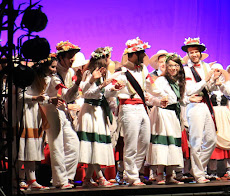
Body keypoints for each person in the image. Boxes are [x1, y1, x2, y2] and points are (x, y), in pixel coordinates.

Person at [104, 37, 153, 186]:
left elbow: (150, 89)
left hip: (142, 107)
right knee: (131, 143)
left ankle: (132, 172)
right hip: (128, 108)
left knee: (144, 142)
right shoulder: (121, 72)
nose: (144, 55)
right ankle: (132, 176)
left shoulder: (143, 70)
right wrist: (114, 88)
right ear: (132, 54)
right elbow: (107, 92)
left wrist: (159, 98)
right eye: (141, 53)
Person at [44, 41, 83, 189]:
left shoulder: (71, 72)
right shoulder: (55, 74)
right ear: (61, 57)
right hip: (52, 109)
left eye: (74, 56)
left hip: (63, 110)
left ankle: (67, 177)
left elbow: (70, 96)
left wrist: (77, 82)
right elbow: (65, 96)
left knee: (73, 144)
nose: (73, 59)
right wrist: (78, 83)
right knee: (57, 146)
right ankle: (59, 180)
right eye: (70, 56)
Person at [146, 53, 188, 184]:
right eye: (170, 65)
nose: (173, 68)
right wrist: (159, 101)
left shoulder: (180, 82)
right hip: (162, 114)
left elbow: (182, 100)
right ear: (166, 66)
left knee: (172, 144)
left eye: (176, 65)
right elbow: (150, 98)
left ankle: (170, 175)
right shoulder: (160, 80)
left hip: (173, 115)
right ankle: (159, 175)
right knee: (162, 144)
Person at [16, 54, 57, 190]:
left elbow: (41, 97)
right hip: (24, 114)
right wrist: (36, 98)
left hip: (35, 114)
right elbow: (20, 96)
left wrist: (50, 100)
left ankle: (32, 180)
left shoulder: (44, 79)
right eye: (52, 67)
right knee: (23, 147)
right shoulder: (27, 77)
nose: (54, 70)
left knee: (32, 147)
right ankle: (19, 179)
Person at [77, 47, 116, 187]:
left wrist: (113, 90)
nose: (110, 60)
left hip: (99, 111)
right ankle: (100, 178)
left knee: (97, 144)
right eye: (108, 57)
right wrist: (99, 85)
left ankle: (87, 179)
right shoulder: (89, 73)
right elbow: (86, 94)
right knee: (93, 144)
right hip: (89, 111)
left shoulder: (107, 73)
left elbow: (105, 94)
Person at [182, 37, 217, 183]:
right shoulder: (185, 70)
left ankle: (198, 168)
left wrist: (214, 81)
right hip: (194, 105)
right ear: (188, 54)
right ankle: (198, 173)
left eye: (196, 52)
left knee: (211, 140)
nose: (194, 55)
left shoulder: (206, 67)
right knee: (196, 140)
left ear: (201, 53)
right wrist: (205, 80)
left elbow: (209, 89)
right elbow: (190, 90)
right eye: (191, 52)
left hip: (206, 104)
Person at [207, 63, 230, 180]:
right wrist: (212, 81)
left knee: (228, 138)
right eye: (215, 71)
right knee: (214, 141)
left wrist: (221, 85)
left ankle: (229, 170)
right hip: (213, 114)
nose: (217, 74)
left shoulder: (227, 85)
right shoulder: (208, 86)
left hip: (225, 115)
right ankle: (213, 171)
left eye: (219, 71)